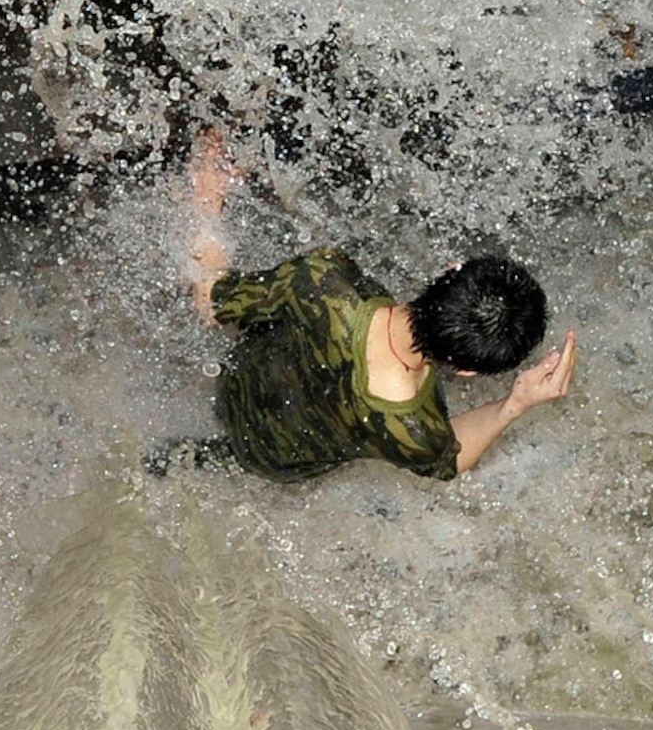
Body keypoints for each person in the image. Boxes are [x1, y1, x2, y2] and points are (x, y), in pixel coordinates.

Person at [173, 132, 577, 482]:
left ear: (452, 268)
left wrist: (207, 198)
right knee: (230, 455)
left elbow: (212, 300)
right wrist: (515, 403)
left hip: (237, 385)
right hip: (276, 460)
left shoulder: (324, 283)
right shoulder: (412, 429)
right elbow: (448, 462)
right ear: (466, 370)